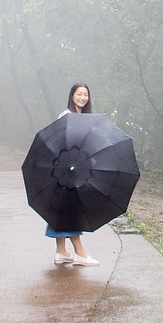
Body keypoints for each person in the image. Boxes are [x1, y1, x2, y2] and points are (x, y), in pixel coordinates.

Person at [47, 82, 99, 266]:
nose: (82, 98)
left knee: (60, 210)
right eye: (79, 94)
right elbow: (62, 142)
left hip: (72, 168)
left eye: (85, 95)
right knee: (69, 211)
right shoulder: (67, 115)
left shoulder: (83, 117)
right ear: (72, 96)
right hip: (65, 169)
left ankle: (61, 251)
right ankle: (81, 253)